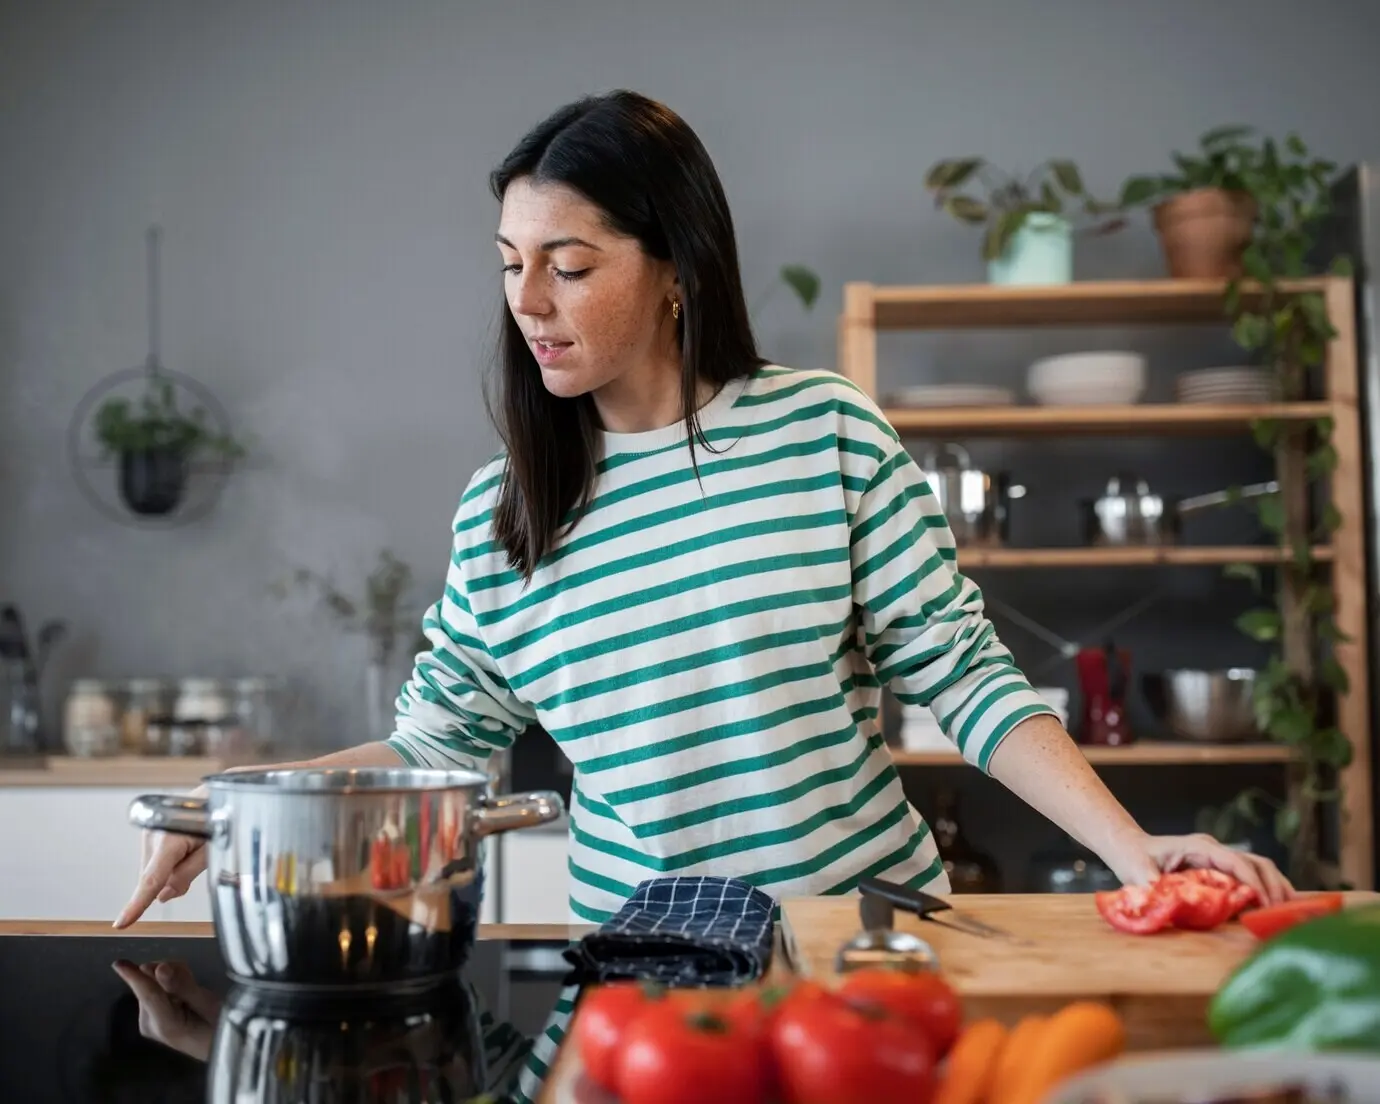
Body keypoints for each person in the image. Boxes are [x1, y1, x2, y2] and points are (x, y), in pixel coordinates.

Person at [116, 88, 1293, 934]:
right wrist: (232, 805)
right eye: (507, 262)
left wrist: (1134, 851)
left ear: (675, 266)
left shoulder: (824, 433)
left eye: (569, 265)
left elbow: (965, 676)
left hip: (863, 938)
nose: (528, 301)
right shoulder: (505, 510)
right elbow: (438, 750)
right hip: (644, 960)